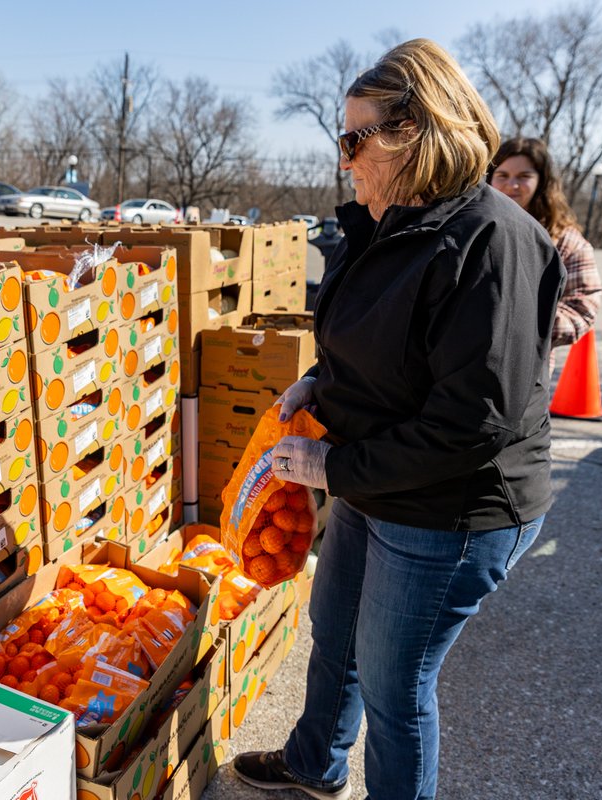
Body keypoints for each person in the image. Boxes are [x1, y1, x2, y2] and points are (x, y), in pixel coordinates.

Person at [231, 38, 565, 800]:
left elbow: (472, 422)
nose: (344, 159)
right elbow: (376, 346)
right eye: (341, 139)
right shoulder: (387, 223)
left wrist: (334, 468)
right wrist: (317, 384)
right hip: (374, 477)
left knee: (395, 685)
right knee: (334, 634)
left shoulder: (492, 243)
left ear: (415, 134)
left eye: (355, 140)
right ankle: (315, 763)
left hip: (451, 507)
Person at [489, 136, 602, 359]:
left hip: (524, 367)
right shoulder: (468, 228)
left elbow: (583, 308)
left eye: (524, 176)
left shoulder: (566, 242)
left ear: (542, 182)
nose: (512, 185)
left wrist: (523, 324)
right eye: (502, 175)